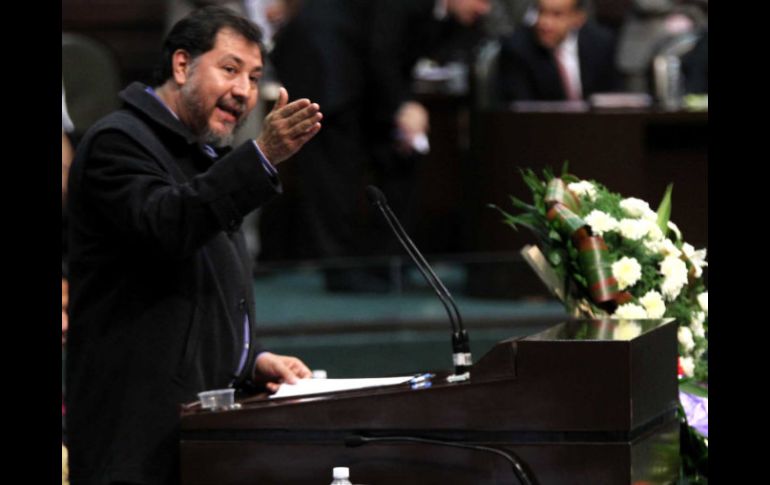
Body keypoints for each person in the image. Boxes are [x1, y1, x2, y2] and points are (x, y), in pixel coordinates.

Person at [65, 7, 320, 484]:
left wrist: (251, 359)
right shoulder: (118, 143)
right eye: (230, 69)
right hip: (133, 437)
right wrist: (262, 155)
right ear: (182, 65)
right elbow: (170, 226)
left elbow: (203, 288)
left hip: (192, 427)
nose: (244, 91)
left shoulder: (199, 155)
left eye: (254, 77)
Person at [262, 0, 491, 291]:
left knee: (394, 157)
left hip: (361, 75)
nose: (484, 8)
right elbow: (383, 49)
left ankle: (382, 263)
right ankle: (340, 269)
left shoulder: (450, 17)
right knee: (333, 171)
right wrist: (403, 105)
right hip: (326, 61)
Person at [497, 0, 620, 103]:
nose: (545, 23)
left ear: (578, 18)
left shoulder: (601, 44)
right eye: (541, 12)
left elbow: (612, 99)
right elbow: (522, 109)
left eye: (557, 15)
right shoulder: (517, 49)